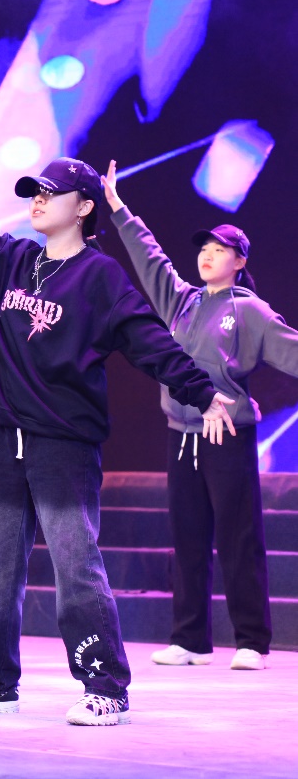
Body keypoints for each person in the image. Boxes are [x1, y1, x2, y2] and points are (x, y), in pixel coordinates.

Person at [0, 91, 236, 726]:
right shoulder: (8, 259)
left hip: (63, 445)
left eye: (49, 193)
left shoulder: (101, 278)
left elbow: (152, 342)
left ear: (83, 208)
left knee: (76, 569)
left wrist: (201, 390)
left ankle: (106, 686)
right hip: (3, 440)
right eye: (32, 192)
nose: (36, 200)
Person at [105, 162, 298, 672]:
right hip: (181, 434)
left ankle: (252, 641)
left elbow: (292, 351)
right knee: (188, 539)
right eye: (204, 248)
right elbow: (149, 258)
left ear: (239, 260)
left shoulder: (250, 310)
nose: (207, 254)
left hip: (227, 433)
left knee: (238, 538)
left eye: (219, 249)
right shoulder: (182, 302)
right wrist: (119, 208)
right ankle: (189, 639)